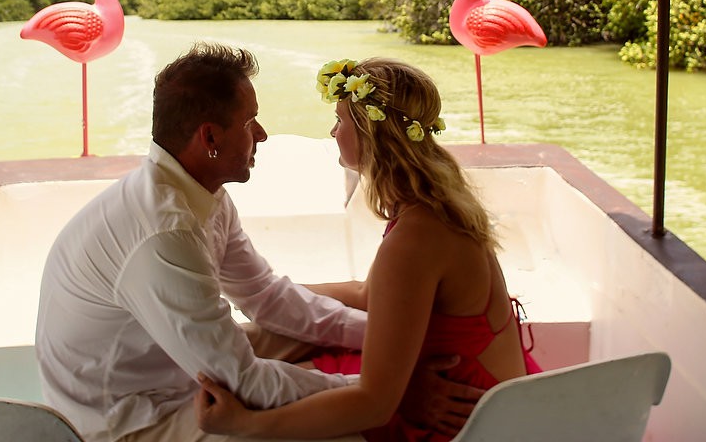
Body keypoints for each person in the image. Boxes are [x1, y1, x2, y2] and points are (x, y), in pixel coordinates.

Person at [36, 43, 479, 442]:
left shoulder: (203, 192)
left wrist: (389, 343)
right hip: (133, 415)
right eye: (249, 122)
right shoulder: (165, 231)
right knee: (338, 432)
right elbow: (243, 381)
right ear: (210, 137)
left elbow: (266, 296)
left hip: (174, 364)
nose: (263, 134)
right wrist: (388, 393)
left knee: (297, 333)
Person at [195, 57, 540, 441]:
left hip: (465, 424)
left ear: (371, 133)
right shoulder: (432, 205)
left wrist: (245, 425)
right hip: (489, 396)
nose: (332, 131)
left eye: (341, 119)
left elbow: (374, 403)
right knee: (269, 342)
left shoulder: (416, 237)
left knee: (254, 402)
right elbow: (369, 296)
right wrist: (270, 295)